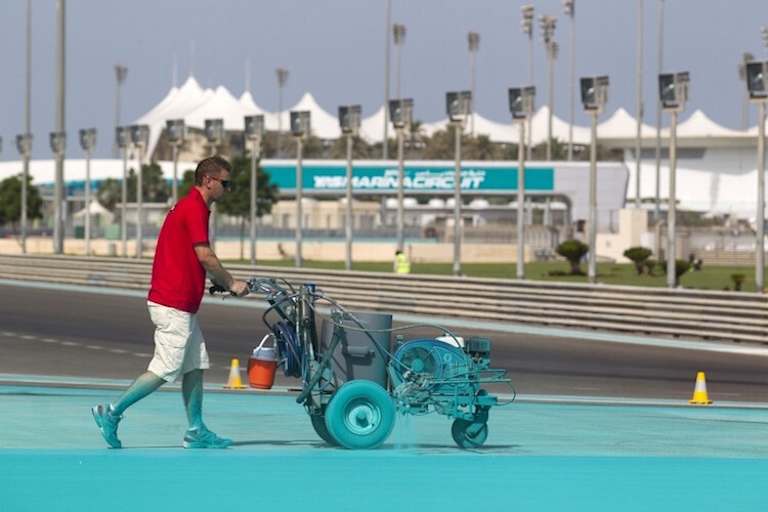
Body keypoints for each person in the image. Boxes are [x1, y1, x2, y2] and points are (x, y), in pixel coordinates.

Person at [91, 156, 250, 449]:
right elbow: (205, 255)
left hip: (182, 306)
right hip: (173, 305)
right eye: (225, 184)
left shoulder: (191, 208)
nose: (228, 190)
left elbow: (193, 258)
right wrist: (231, 283)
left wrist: (213, 279)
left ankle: (195, 430)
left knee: (195, 366)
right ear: (208, 181)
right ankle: (111, 413)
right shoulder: (193, 208)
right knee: (166, 368)